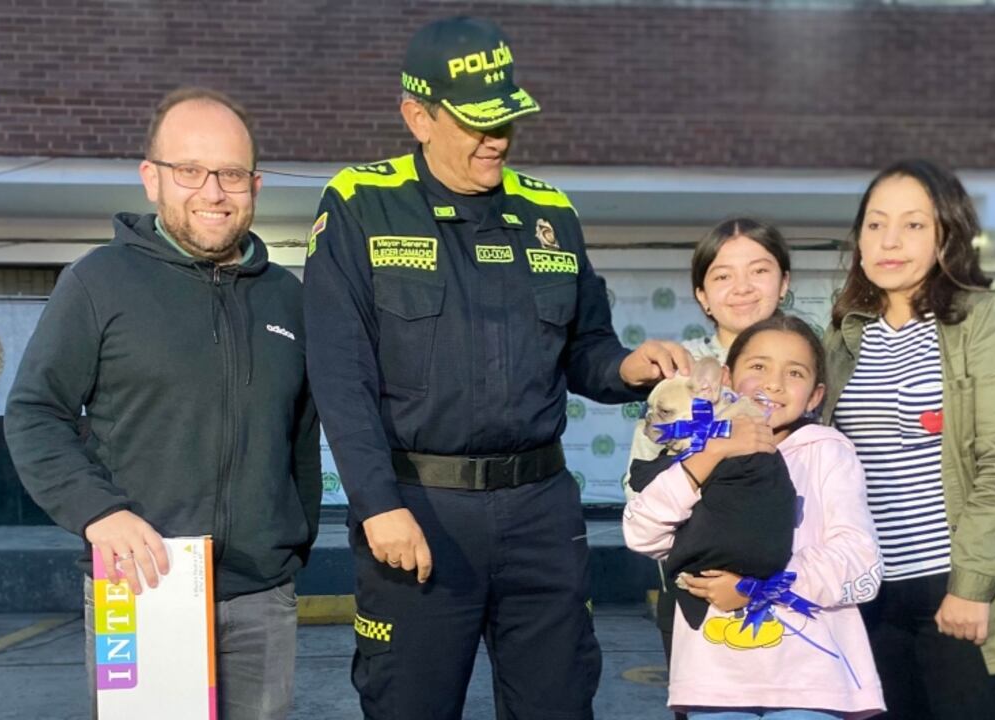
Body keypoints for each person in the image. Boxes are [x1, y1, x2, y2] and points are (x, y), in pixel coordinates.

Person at [302, 16, 689, 720]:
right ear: (417, 116)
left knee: (560, 704)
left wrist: (629, 366)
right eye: (478, 124)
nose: (498, 140)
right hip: (418, 509)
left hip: (539, 512)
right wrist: (377, 504)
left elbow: (585, 349)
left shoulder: (550, 211)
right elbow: (339, 376)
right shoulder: (362, 204)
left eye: (508, 120)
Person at [4, 87, 321, 720]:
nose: (212, 191)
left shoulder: (289, 298)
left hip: (262, 596)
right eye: (190, 171)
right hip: (144, 587)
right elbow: (35, 413)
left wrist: (290, 546)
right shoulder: (97, 283)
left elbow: (301, 437)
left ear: (254, 185)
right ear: (151, 179)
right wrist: (99, 513)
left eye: (231, 173)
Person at [825, 159, 995, 719]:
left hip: (959, 589)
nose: (890, 240)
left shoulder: (984, 321)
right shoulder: (844, 333)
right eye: (875, 223)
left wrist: (971, 586)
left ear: (948, 233)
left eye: (913, 224)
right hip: (870, 595)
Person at [624, 315, 885, 720]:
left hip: (811, 683)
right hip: (714, 683)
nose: (774, 383)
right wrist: (711, 456)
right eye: (758, 367)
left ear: (816, 396)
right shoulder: (693, 455)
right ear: (723, 379)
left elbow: (860, 562)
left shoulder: (828, 452)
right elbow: (642, 535)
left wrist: (758, 586)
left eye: (794, 373)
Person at [624, 218, 792, 714]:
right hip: (701, 590)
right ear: (701, 294)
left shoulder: (810, 361)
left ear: (785, 282)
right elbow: (643, 489)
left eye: (759, 271)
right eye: (722, 276)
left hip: (798, 593)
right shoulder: (677, 379)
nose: (741, 288)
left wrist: (767, 580)